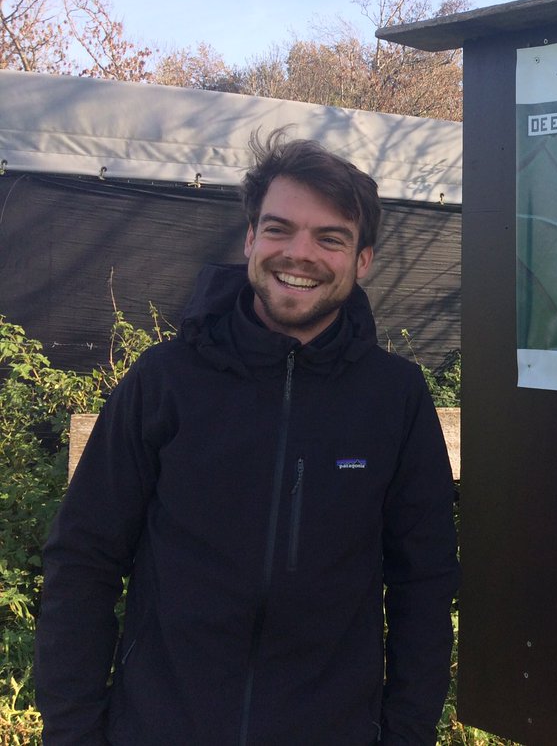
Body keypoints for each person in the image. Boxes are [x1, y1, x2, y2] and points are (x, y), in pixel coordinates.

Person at [35, 129, 460, 745]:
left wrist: (407, 734)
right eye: (279, 229)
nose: (299, 254)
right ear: (250, 239)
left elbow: (424, 581)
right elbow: (83, 559)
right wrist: (73, 731)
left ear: (363, 260)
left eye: (330, 238)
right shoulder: (165, 380)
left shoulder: (395, 397)